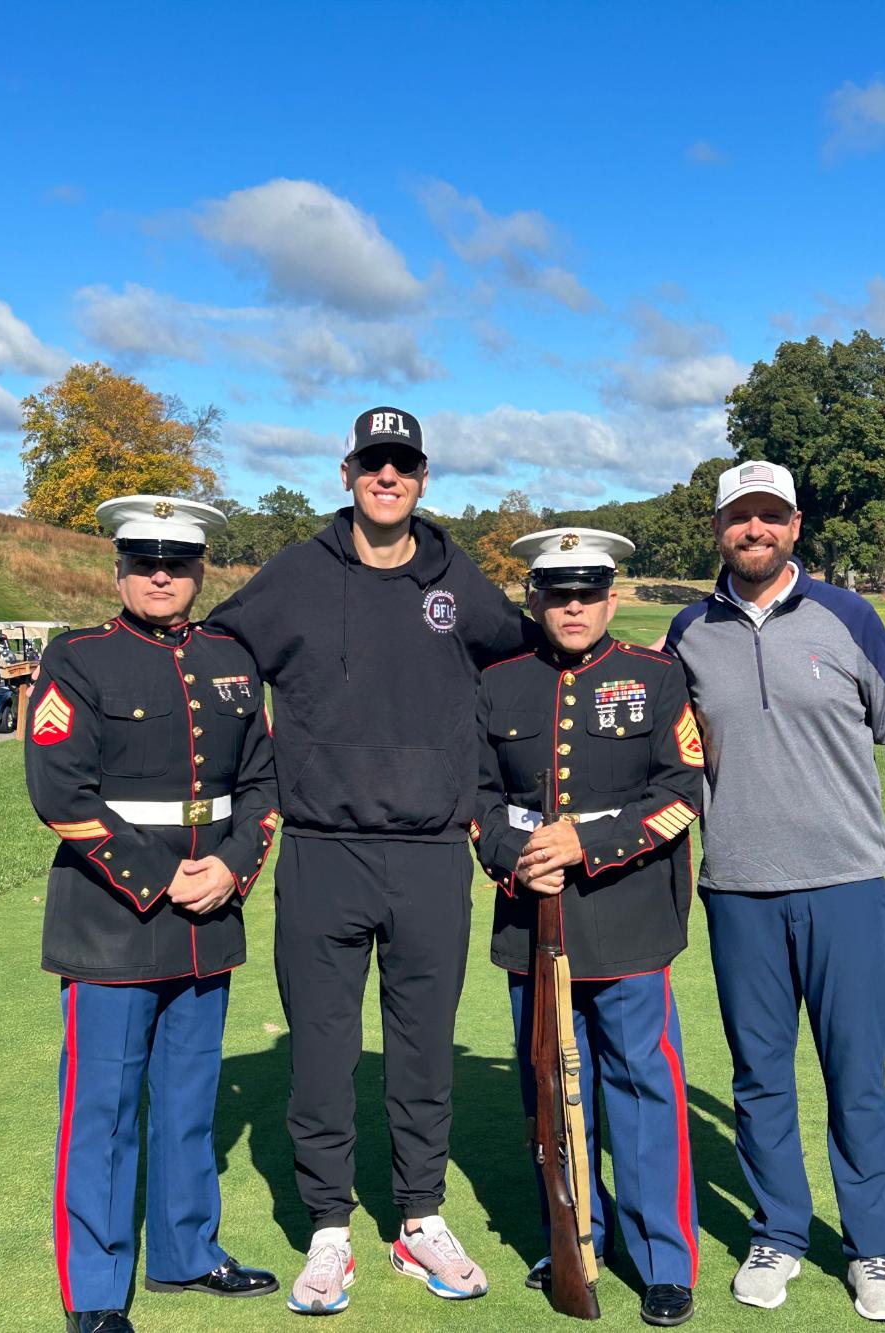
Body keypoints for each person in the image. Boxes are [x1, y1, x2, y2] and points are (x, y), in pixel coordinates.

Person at [208, 407, 538, 1314]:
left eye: (403, 465)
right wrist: (255, 781)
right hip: (323, 849)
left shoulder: (454, 577)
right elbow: (218, 660)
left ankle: (419, 1219)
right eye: (372, 463)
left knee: (422, 1048)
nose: (386, 478)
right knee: (319, 1047)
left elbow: (527, 663)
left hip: (433, 851)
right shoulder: (300, 573)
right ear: (347, 470)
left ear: (423, 477)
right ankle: (326, 1230)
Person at [664, 461, 885, 1323]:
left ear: (795, 525)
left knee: (854, 1073)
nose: (753, 530)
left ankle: (873, 1246)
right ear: (719, 526)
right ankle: (779, 1232)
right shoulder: (687, 631)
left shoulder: (848, 615)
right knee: (760, 1074)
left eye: (769, 516)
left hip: (843, 881)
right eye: (738, 517)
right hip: (739, 887)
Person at [25, 495, 281, 1333]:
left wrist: (235, 867)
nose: (161, 575)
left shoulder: (231, 657)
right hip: (114, 917)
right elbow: (60, 791)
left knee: (188, 1096)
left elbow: (263, 783)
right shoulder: (78, 659)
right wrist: (166, 878)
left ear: (202, 570)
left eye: (177, 562)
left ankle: (185, 1251)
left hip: (210, 916)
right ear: (121, 568)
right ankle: (95, 1293)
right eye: (144, 561)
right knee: (102, 1107)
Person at [472, 527, 703, 1328]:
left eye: (587, 593)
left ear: (611, 596)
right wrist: (512, 858)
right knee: (548, 1090)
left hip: (629, 911)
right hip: (531, 914)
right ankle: (571, 1234)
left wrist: (589, 844)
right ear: (535, 598)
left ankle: (662, 1258)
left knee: (642, 1086)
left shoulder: (656, 675)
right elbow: (476, 797)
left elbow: (683, 790)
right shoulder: (499, 682)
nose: (572, 607)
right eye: (556, 593)